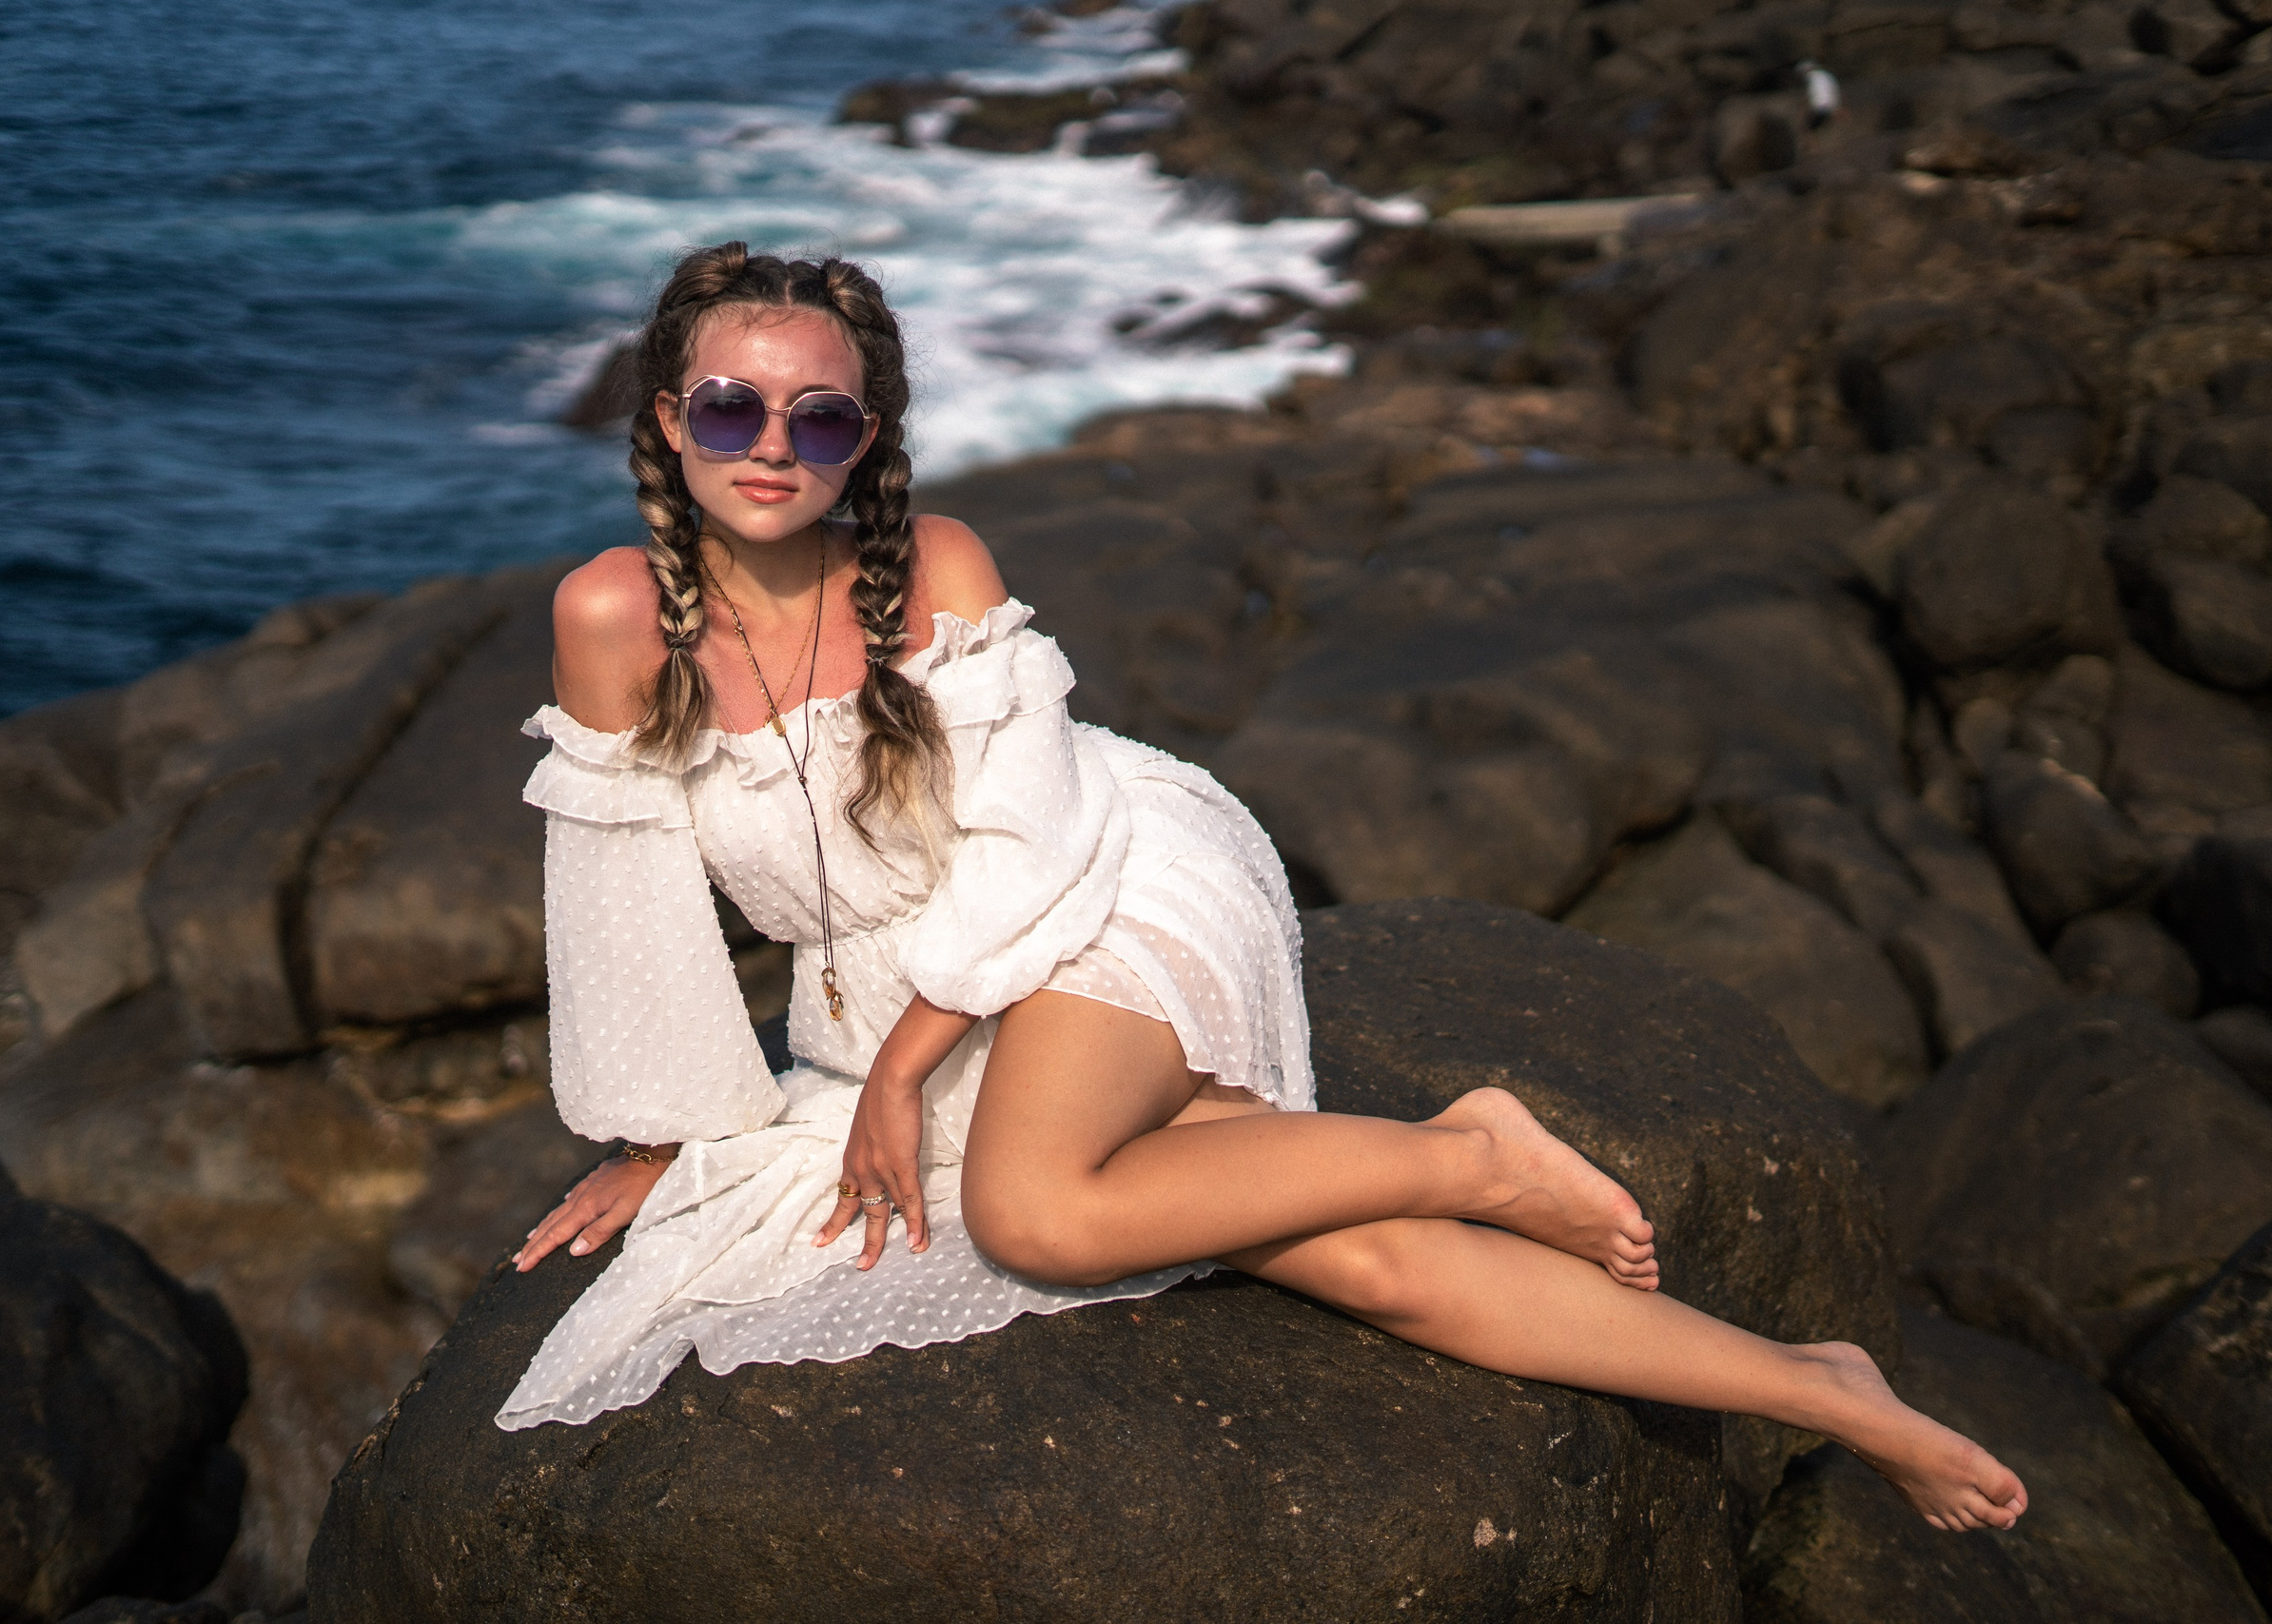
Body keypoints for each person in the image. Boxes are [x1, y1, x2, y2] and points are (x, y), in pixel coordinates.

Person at [501, 241, 2026, 1536]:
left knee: (1039, 1210)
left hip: (1094, 894)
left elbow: (1029, 846)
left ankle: (1472, 1157)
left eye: (820, 419)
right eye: (732, 406)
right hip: (899, 1000)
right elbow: (621, 888)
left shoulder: (936, 568)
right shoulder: (614, 616)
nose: (772, 446)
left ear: (871, 441)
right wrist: (663, 1132)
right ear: (667, 418)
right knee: (1338, 1253)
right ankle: (1813, 1382)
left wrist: (904, 1072)